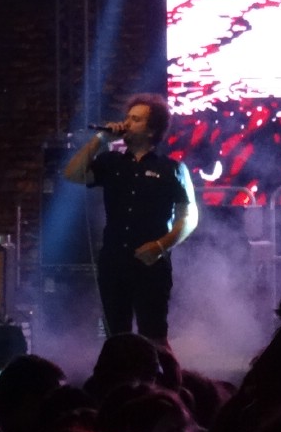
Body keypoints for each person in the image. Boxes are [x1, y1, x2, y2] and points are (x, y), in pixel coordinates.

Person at [63, 93, 197, 347]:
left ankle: (166, 373)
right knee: (117, 338)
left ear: (151, 130)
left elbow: (189, 217)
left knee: (155, 337)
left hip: (151, 263)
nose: (126, 123)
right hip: (114, 261)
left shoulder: (172, 169)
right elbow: (72, 174)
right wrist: (100, 139)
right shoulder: (111, 162)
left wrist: (160, 246)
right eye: (127, 117)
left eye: (136, 119)